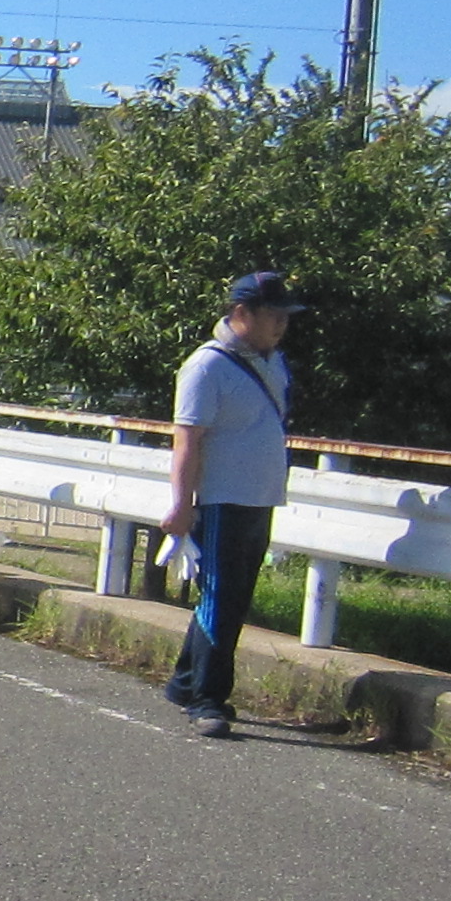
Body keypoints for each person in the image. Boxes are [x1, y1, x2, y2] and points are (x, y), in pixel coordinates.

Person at [160, 271, 304, 737]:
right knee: (220, 598)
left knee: (232, 599)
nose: (281, 324)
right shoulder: (207, 366)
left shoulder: (273, 362)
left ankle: (186, 682)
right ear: (241, 313)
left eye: (285, 315)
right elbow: (187, 441)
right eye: (273, 314)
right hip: (221, 499)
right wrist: (182, 504)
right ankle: (208, 699)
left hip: (259, 498)